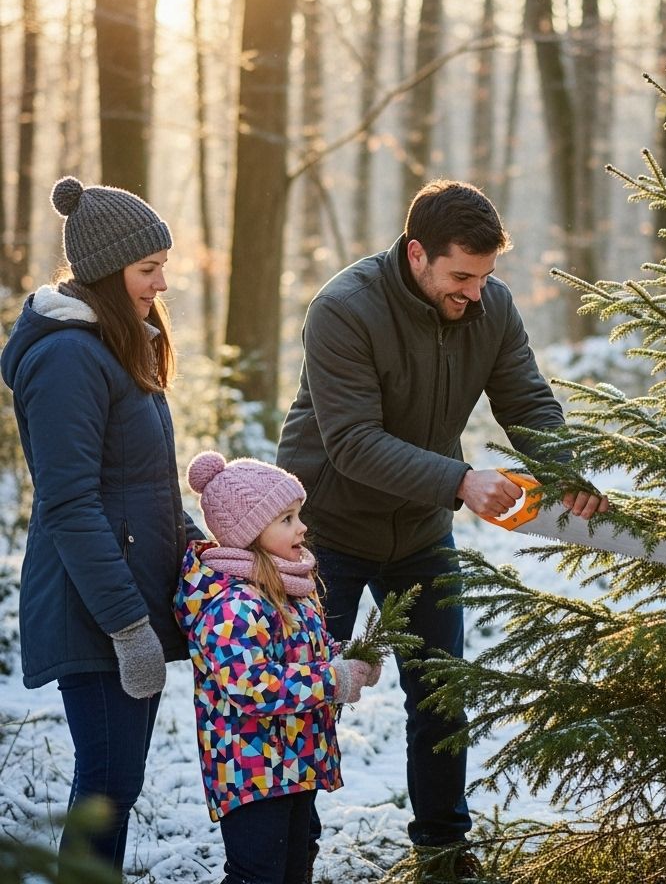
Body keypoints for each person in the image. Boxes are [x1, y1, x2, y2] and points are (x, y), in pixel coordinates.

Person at [276, 178, 608, 881]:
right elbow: (353, 443)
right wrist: (460, 481)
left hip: (422, 532)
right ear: (417, 254)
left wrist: (564, 470)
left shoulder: (491, 306)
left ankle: (444, 853)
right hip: (326, 532)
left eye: (485, 277)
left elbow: (526, 400)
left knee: (442, 695)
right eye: (461, 277)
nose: (475, 293)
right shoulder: (344, 309)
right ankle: (286, 857)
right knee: (309, 700)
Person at [0, 175, 205, 874]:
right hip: (93, 609)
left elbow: (141, 487)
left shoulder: (114, 346)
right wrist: (127, 627)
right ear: (108, 271)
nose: (161, 283)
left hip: (126, 600)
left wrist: (199, 546)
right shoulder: (67, 359)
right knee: (108, 786)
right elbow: (70, 504)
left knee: (117, 785)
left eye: (162, 266)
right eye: (148, 269)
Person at [175, 450, 381, 884]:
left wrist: (345, 658)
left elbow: (303, 654)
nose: (302, 527)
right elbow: (253, 686)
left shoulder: (290, 588)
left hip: (296, 759)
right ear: (248, 533)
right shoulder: (233, 605)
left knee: (297, 857)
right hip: (251, 767)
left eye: (298, 515)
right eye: (287, 519)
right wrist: (334, 680)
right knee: (259, 871)